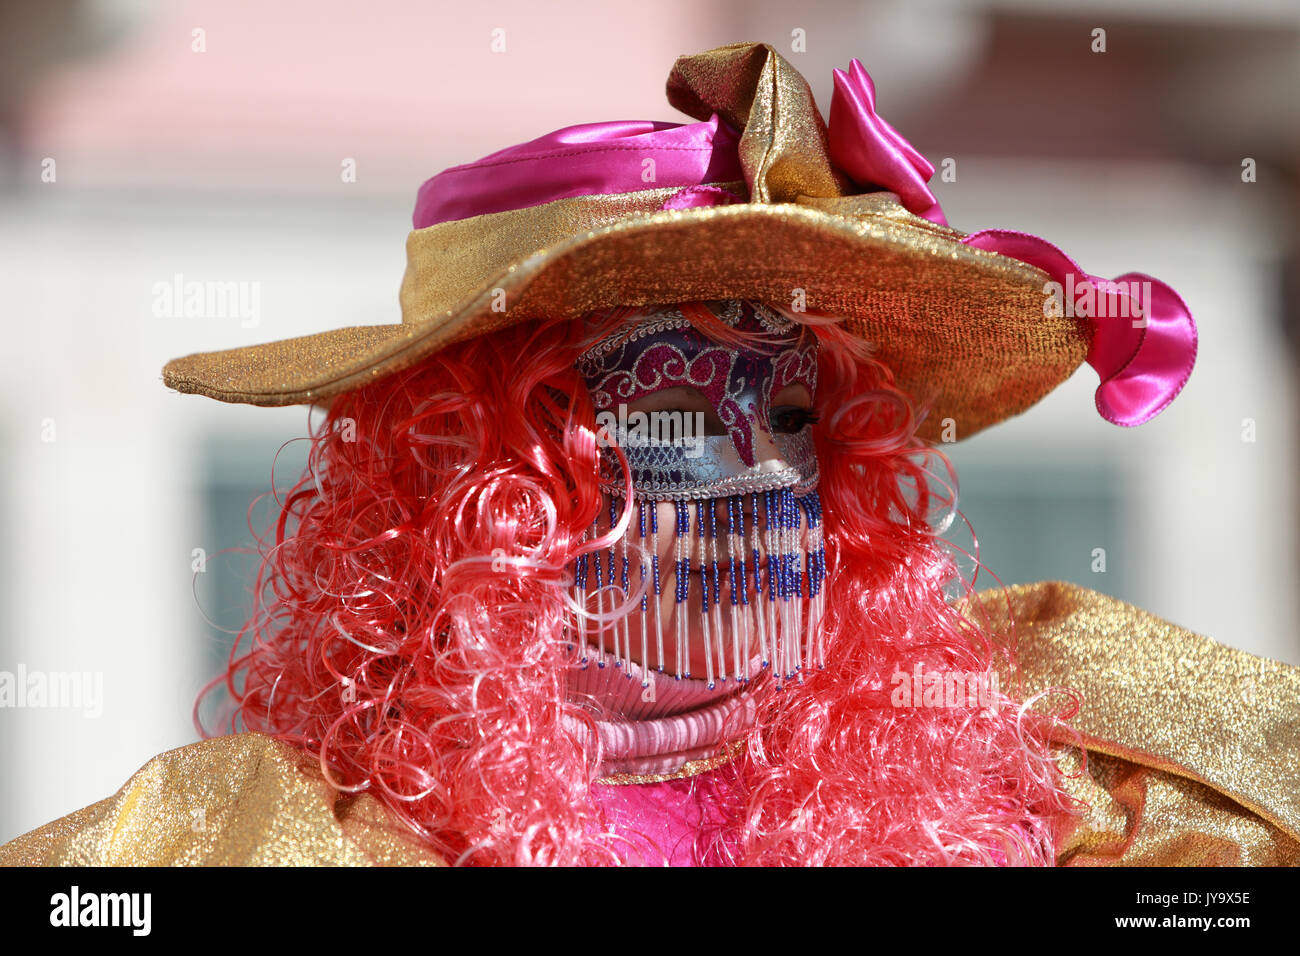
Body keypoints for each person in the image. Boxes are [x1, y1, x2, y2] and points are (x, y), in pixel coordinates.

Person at [3, 41, 1295, 867]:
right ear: (495, 489)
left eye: (791, 418)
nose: (760, 471)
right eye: (675, 416)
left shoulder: (1028, 772)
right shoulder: (270, 845)